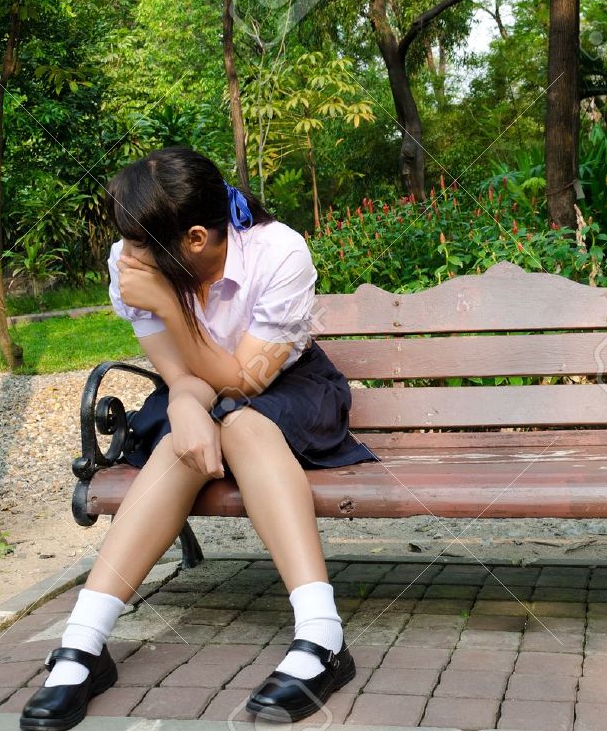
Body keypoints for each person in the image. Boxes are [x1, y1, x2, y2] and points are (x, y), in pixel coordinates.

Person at [20, 146, 381, 731]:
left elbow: (246, 381)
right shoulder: (133, 259)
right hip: (196, 384)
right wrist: (186, 403)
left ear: (193, 239)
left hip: (290, 389)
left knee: (242, 421)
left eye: (138, 243)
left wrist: (171, 307)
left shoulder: (279, 252)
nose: (126, 256)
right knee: (182, 443)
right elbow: (178, 372)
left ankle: (322, 636)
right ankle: (83, 646)